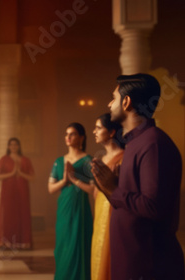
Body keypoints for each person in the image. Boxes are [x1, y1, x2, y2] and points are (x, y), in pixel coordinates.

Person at [92, 73, 184, 279]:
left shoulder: (153, 144)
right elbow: (130, 202)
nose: (109, 104)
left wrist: (114, 189)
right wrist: (109, 188)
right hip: (130, 260)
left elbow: (152, 206)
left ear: (126, 102)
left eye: (113, 98)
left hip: (147, 265)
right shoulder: (135, 143)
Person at [48, 122, 93, 280]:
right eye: (66, 134)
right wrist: (65, 180)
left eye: (72, 134)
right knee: (63, 245)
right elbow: (51, 188)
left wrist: (75, 181)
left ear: (81, 137)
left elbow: (94, 190)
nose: (68, 137)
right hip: (64, 209)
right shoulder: (59, 161)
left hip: (81, 209)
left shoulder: (88, 161)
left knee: (79, 244)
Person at [91, 113, 124, 280]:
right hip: (99, 212)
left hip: (115, 211)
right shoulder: (101, 159)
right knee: (98, 248)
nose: (94, 131)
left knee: (110, 252)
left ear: (111, 132)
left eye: (98, 128)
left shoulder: (123, 158)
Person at [0, 137, 34, 250]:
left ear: (19, 146)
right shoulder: (4, 159)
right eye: (11, 145)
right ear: (8, 146)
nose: (13, 147)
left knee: (22, 213)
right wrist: (12, 173)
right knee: (8, 214)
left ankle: (23, 242)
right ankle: (6, 242)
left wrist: (20, 173)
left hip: (22, 191)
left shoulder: (25, 160)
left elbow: (32, 177)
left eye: (16, 145)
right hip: (8, 191)